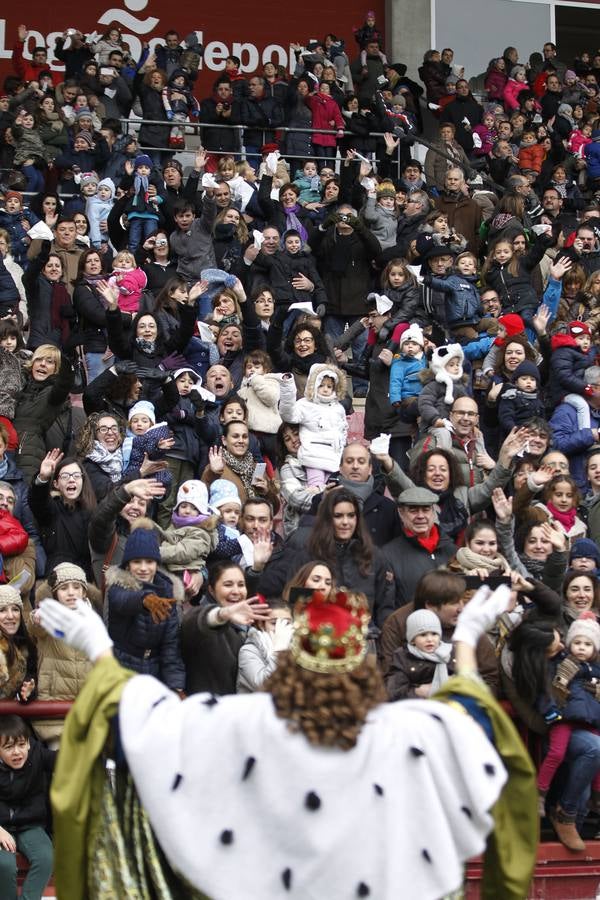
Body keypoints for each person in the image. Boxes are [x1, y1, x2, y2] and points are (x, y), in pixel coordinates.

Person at [38, 583, 537, 899]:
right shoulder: (409, 733)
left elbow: (134, 724)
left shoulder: (232, 723)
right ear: (362, 672)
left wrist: (99, 650)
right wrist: (468, 638)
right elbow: (471, 716)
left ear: (290, 664)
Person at [105, 519, 185, 691]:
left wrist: (176, 686)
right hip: (121, 671)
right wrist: (145, 600)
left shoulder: (167, 591)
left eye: (149, 562)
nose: (143, 568)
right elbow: (123, 601)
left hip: (154, 674)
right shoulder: (118, 586)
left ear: (157, 563)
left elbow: (170, 648)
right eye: (137, 562)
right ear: (128, 564)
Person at [29, 563, 101, 747]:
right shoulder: (48, 616)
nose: (71, 592)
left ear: (84, 592)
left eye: (76, 587)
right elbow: (36, 627)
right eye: (64, 588)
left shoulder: (94, 620)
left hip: (87, 709)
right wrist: (37, 619)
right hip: (55, 711)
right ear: (54, 593)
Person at [0, 714, 54, 900]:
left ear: (29, 744)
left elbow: (63, 760)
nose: (17, 752)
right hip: (1, 827)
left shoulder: (37, 754)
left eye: (21, 745)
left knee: (46, 857)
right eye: (8, 747)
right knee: (4, 864)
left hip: (30, 824)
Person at [381, 486, 457, 608]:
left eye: (426, 509)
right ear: (401, 513)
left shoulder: (452, 551)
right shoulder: (388, 555)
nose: (420, 516)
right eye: (413, 510)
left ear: (433, 512)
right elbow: (386, 607)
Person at [278, 365, 348, 488]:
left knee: (334, 486)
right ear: (313, 385)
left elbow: (343, 429)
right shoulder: (305, 404)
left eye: (329, 386)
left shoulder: (339, 408)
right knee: (316, 487)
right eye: (321, 385)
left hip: (334, 456)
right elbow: (288, 415)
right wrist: (287, 389)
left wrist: (341, 447)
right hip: (313, 455)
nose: (325, 389)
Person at [385, 608, 452, 700]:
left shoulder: (449, 653)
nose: (429, 639)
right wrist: (417, 691)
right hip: (417, 707)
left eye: (434, 634)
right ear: (412, 640)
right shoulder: (403, 657)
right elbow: (394, 691)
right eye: (423, 635)